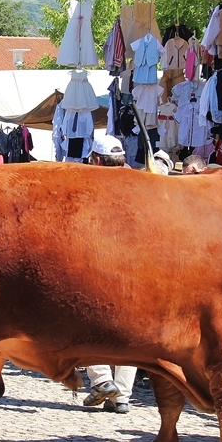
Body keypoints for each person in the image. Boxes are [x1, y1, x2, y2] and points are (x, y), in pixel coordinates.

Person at [82, 136, 138, 413]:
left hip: (102, 262)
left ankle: (102, 379)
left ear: (97, 160)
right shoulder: (142, 184)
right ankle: (122, 396)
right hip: (137, 266)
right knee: (130, 330)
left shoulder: (93, 185)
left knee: (89, 322)